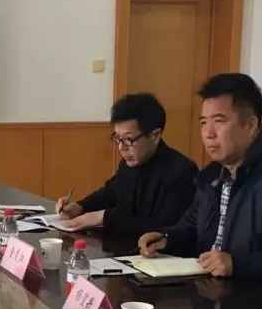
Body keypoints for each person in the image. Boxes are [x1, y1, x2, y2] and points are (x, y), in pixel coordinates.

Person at [138, 73, 262, 292]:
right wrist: (167, 238)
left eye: (219, 121)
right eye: (203, 122)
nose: (208, 133)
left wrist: (238, 264)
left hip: (258, 303)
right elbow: (192, 227)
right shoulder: (212, 176)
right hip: (210, 296)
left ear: (250, 125)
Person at [56, 93, 198, 234]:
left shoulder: (182, 172)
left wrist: (105, 217)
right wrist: (81, 206)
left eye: (128, 139)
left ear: (155, 136)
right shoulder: (128, 164)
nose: (121, 147)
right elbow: (109, 193)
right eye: (118, 138)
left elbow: (164, 228)